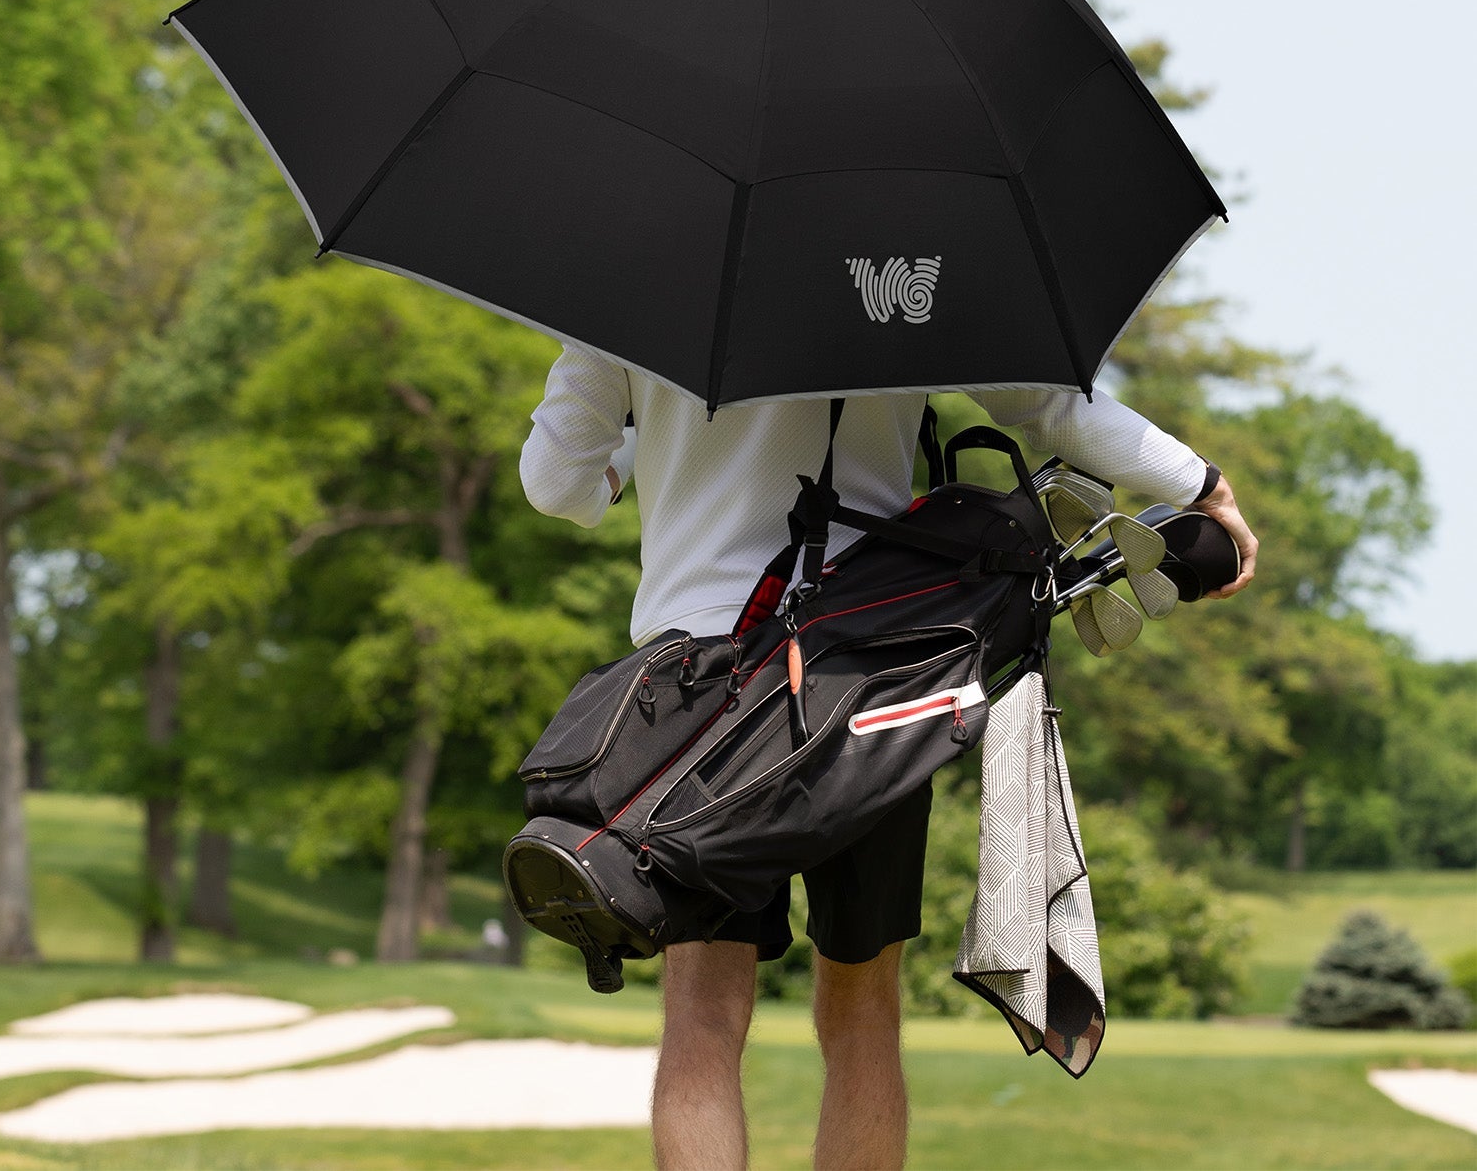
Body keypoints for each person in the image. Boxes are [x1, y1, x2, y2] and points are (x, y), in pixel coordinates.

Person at [520, 346, 1258, 1171]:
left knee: (703, 1017)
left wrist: (636, 449)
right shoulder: (910, 259)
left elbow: (557, 485)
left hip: (696, 699)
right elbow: (1050, 406)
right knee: (863, 1012)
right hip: (874, 682)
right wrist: (1204, 486)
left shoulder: (639, 276)